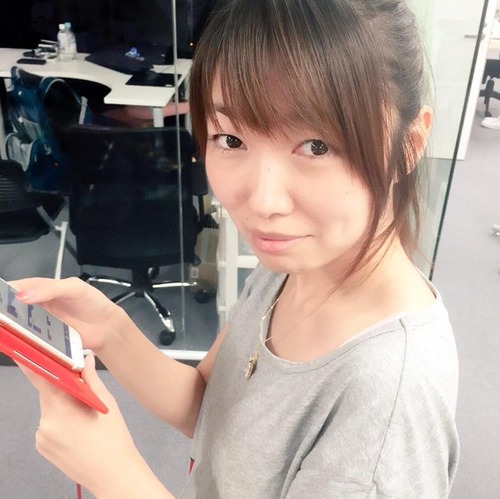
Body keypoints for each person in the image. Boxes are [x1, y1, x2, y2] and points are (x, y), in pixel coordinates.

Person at [11, 0, 459, 497]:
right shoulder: (294, 265)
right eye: (230, 139)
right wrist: (112, 330)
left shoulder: (388, 403)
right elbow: (211, 407)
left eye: (317, 146)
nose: (263, 203)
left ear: (409, 144)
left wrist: (116, 477)